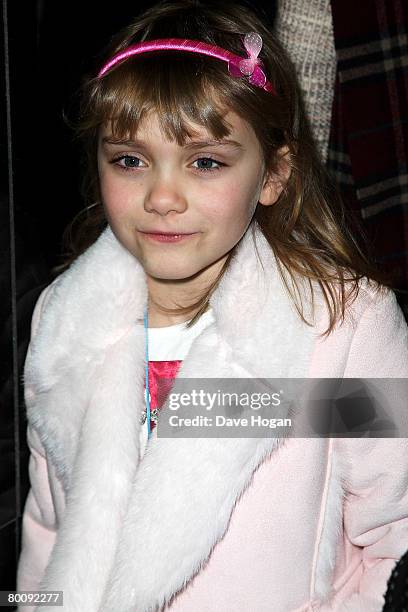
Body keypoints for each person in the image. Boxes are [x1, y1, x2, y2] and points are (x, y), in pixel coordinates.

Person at [16, 1, 408, 611]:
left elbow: (393, 531)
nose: (162, 196)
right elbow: (47, 529)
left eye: (205, 161)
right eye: (130, 159)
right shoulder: (63, 319)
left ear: (273, 175)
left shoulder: (342, 330)